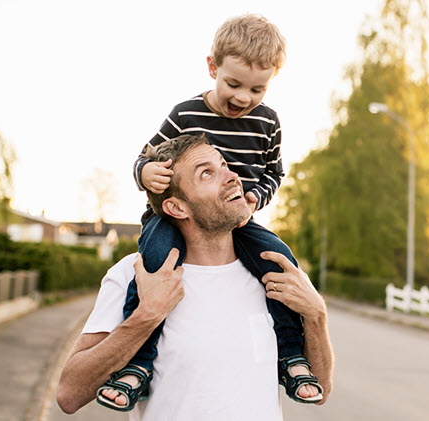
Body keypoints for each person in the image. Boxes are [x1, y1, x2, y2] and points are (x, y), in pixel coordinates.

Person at [97, 14, 318, 411]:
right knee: (151, 265)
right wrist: (144, 172)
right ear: (213, 67)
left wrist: (255, 198)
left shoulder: (268, 122)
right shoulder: (185, 114)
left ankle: (289, 354)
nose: (243, 98)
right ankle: (137, 365)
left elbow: (273, 172)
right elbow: (145, 156)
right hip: (171, 217)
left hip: (238, 218)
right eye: (233, 84)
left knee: (281, 263)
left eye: (258, 89)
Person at [56, 134, 334, 420]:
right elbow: (69, 394)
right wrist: (146, 316)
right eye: (207, 173)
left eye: (224, 165)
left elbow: (321, 390)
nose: (232, 177)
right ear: (177, 207)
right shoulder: (135, 274)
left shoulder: (274, 271)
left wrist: (316, 316)